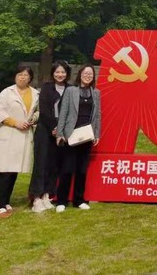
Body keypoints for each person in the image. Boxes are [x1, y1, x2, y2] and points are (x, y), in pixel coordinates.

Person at [0, 65, 39, 218]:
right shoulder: (7, 92)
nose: (22, 77)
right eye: (19, 74)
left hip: (23, 135)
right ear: (15, 77)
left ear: (30, 78)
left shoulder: (35, 93)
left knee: (14, 170)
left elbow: (38, 111)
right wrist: (14, 122)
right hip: (8, 133)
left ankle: (6, 201)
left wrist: (33, 119)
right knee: (5, 171)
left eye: (25, 75)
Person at [55, 64, 101, 212]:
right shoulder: (71, 91)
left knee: (82, 171)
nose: (88, 76)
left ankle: (79, 200)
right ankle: (61, 201)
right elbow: (63, 112)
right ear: (80, 74)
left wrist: (96, 133)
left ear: (93, 77)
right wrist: (60, 133)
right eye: (85, 73)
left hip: (86, 136)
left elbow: (97, 115)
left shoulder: (96, 93)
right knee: (67, 169)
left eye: (90, 74)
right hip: (71, 135)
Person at [30, 60, 70, 213]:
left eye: (63, 72)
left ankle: (47, 194)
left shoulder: (70, 89)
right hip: (45, 130)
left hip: (61, 133)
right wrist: (55, 127)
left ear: (67, 73)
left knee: (54, 164)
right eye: (57, 72)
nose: (60, 74)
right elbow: (44, 110)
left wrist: (61, 130)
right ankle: (36, 197)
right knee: (41, 163)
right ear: (53, 73)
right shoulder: (46, 87)